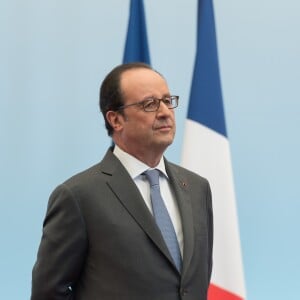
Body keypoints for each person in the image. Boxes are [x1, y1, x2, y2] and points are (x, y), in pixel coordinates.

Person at [31, 62, 213, 300]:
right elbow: (48, 292)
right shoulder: (78, 196)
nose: (165, 112)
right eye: (150, 104)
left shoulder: (197, 188)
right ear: (116, 120)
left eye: (168, 101)